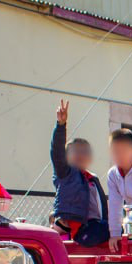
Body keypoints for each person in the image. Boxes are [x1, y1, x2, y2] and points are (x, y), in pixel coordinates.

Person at [49, 100, 110, 245]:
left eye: (84, 152)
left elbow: (102, 208)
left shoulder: (92, 178)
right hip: (82, 230)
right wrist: (61, 125)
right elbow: (56, 152)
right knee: (111, 229)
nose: (81, 155)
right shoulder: (66, 173)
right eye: (76, 152)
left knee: (116, 229)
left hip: (96, 226)